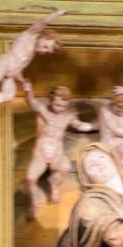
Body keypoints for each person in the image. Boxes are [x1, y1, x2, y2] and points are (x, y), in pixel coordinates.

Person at [23, 79, 97, 219]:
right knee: (30, 178)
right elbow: (32, 102)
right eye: (57, 105)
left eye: (63, 106)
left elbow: (80, 125)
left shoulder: (67, 116)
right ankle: (32, 202)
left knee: (65, 167)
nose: (60, 108)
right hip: (41, 153)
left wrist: (95, 125)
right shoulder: (44, 111)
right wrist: (28, 91)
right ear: (51, 100)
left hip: (56, 153)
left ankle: (54, 185)